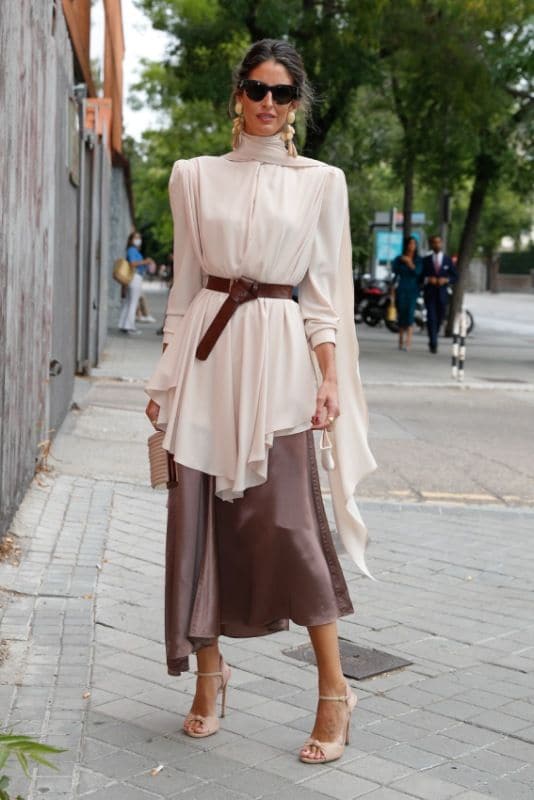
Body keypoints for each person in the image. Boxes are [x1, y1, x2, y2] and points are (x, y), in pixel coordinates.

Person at [144, 39, 376, 765]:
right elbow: (184, 288)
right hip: (205, 367)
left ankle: (335, 691)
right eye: (255, 88)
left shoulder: (321, 183)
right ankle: (210, 677)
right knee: (199, 529)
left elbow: (324, 298)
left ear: (297, 103)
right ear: (236, 95)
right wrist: (164, 378)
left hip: (279, 365)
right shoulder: (193, 177)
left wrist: (330, 375)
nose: (267, 104)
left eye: (281, 93)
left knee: (289, 525)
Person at [421, 234, 458, 353]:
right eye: (434, 242)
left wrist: (446, 280)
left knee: (439, 318)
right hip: (430, 293)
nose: (436, 244)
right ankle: (433, 342)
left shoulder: (447, 260)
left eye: (438, 242)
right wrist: (428, 279)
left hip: (442, 294)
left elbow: (455, 276)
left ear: (441, 243)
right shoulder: (426, 260)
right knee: (431, 317)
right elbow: (420, 276)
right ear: (431, 245)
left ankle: (434, 335)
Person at [118, 231, 155, 334]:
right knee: (133, 303)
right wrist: (146, 261)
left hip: (133, 277)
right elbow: (133, 264)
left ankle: (123, 324)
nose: (139, 240)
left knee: (128, 302)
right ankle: (130, 327)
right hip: (135, 277)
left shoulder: (133, 250)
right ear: (131, 240)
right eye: (136, 238)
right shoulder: (132, 250)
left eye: (139, 238)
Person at [392, 236, 422, 351]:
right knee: (401, 315)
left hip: (412, 290)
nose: (412, 246)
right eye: (410, 243)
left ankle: (408, 343)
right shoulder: (399, 259)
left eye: (414, 244)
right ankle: (400, 341)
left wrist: (410, 263)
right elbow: (394, 271)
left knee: (410, 315)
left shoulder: (418, 260)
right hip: (401, 289)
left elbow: (418, 272)